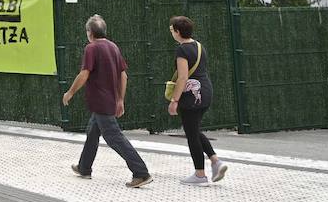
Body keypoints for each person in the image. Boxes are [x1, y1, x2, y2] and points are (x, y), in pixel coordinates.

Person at [62, 14, 153, 188]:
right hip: (108, 100)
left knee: (114, 138)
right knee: (92, 132)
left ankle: (141, 172)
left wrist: (70, 92)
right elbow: (123, 75)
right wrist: (120, 99)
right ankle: (84, 168)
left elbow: (84, 73)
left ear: (90, 32)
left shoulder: (92, 48)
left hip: (100, 101)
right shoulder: (113, 47)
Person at [167, 15, 227, 185]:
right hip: (206, 91)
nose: (171, 33)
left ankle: (200, 175)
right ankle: (215, 162)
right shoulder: (199, 46)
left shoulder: (182, 50)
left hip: (192, 95)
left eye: (172, 30)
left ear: (177, 31)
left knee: (192, 135)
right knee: (194, 130)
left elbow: (183, 77)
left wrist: (174, 100)